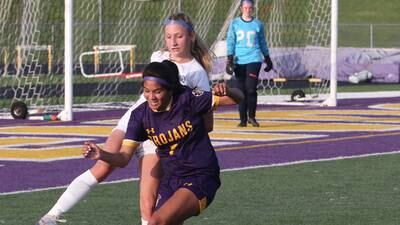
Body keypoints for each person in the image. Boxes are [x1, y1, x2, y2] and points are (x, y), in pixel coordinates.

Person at [37, 12, 214, 225]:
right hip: (132, 120)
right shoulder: (158, 57)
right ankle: (51, 216)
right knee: (102, 166)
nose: (173, 42)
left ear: (191, 37)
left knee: (149, 207)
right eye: (169, 36)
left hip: (157, 136)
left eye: (179, 36)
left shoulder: (197, 73)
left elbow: (205, 118)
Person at [82, 60, 243, 225]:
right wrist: (101, 154)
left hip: (200, 176)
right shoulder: (140, 116)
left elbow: (238, 98)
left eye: (157, 91)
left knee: (156, 222)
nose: (151, 97)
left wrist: (228, 90)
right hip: (171, 180)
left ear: (170, 89)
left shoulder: (188, 100)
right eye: (146, 91)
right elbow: (123, 158)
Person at [225, 0, 273, 127]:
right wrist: (229, 59)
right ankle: (242, 119)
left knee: (251, 89)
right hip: (239, 60)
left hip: (254, 58)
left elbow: (262, 42)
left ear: (253, 9)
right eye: (245, 8)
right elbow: (230, 41)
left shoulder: (258, 24)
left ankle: (252, 116)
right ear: (241, 8)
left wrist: (267, 59)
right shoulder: (234, 23)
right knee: (240, 91)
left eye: (250, 8)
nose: (248, 10)